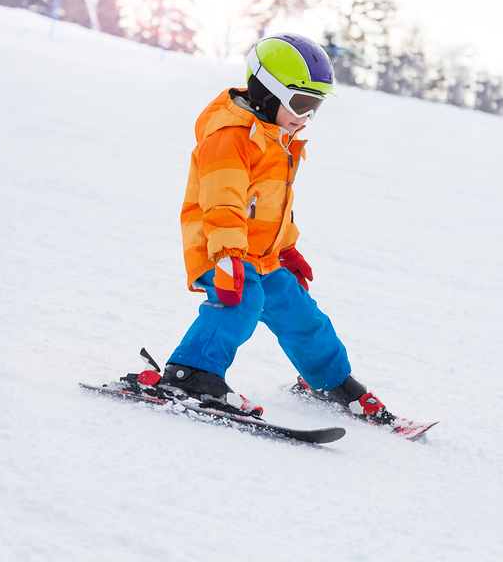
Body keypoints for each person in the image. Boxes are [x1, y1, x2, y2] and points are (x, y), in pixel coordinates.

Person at [156, 33, 394, 425]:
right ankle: (191, 373)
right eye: (299, 103)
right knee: (241, 302)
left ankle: (331, 381)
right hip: (220, 249)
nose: (305, 117)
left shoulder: (279, 137)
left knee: (302, 314)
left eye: (313, 107)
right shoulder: (231, 137)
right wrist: (229, 258)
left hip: (262, 254)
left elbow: (272, 206)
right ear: (267, 91)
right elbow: (223, 203)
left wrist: (286, 249)